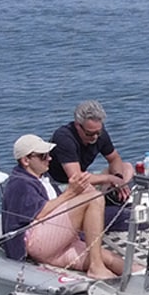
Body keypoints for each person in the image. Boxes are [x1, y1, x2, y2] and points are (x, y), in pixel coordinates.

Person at [0, 133, 125, 279]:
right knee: (94, 198)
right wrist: (71, 192)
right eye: (43, 156)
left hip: (55, 243)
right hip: (39, 242)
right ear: (26, 160)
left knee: (110, 259)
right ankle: (95, 267)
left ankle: (139, 275)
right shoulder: (19, 183)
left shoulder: (43, 178)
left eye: (49, 154)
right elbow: (40, 213)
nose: (49, 159)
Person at [51, 98, 135, 230]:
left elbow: (114, 158)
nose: (95, 137)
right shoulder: (64, 138)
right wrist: (110, 178)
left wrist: (118, 177)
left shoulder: (99, 134)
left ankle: (113, 196)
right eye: (89, 133)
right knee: (88, 189)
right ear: (78, 126)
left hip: (83, 177)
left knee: (127, 167)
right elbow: (76, 177)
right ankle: (99, 207)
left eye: (98, 132)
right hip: (63, 183)